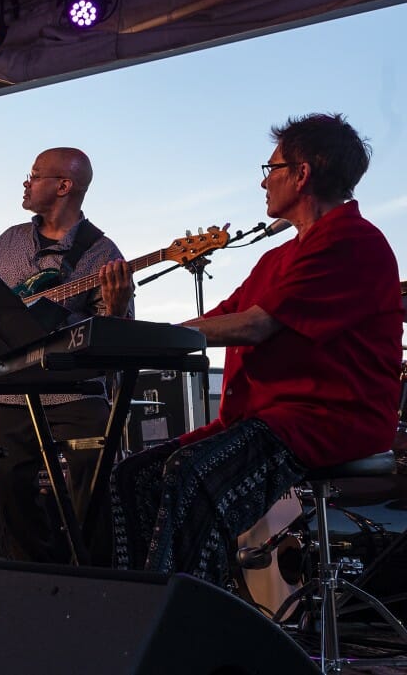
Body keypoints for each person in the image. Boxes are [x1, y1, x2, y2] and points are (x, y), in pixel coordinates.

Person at [110, 113, 403, 586]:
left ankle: (186, 625)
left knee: (191, 473)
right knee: (134, 476)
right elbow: (214, 322)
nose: (264, 181)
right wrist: (129, 323)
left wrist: (141, 338)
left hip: (327, 419)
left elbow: (254, 325)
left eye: (271, 168)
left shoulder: (353, 241)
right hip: (269, 420)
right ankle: (132, 611)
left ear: (302, 174)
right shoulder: (277, 257)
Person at [0, 147, 134, 564]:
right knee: (11, 492)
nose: (25, 183)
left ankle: (96, 584)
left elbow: (116, 345)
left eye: (34, 175)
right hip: (13, 391)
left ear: (64, 186)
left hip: (76, 394)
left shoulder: (103, 253)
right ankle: (32, 584)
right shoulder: (9, 241)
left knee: (96, 490)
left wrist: (117, 308)